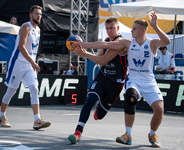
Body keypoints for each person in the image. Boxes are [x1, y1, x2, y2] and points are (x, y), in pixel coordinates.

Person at [72, 12, 170, 147]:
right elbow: (104, 46)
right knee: (130, 97)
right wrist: (84, 44)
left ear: (143, 31)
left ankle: (152, 134)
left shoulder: (151, 43)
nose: (131, 30)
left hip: (147, 82)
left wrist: (156, 26)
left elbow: (166, 41)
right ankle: (127, 135)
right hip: (132, 80)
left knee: (159, 109)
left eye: (134, 28)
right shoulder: (127, 43)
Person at [68, 17, 127, 144]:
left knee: (98, 115)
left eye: (112, 28)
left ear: (118, 28)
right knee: (89, 100)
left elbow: (102, 60)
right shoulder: (106, 40)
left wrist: (84, 53)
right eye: (107, 28)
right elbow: (99, 58)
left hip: (115, 83)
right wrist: (84, 53)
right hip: (103, 77)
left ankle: (101, 104)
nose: (109, 31)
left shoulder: (120, 43)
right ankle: (78, 132)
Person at [0, 5, 51, 130]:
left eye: (40, 14)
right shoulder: (25, 27)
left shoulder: (38, 30)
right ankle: (1, 116)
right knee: (11, 90)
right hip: (18, 62)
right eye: (36, 14)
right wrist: (33, 62)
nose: (38, 16)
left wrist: (32, 62)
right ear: (30, 15)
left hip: (29, 64)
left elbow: (32, 49)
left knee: (34, 89)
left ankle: (37, 120)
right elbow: (21, 48)